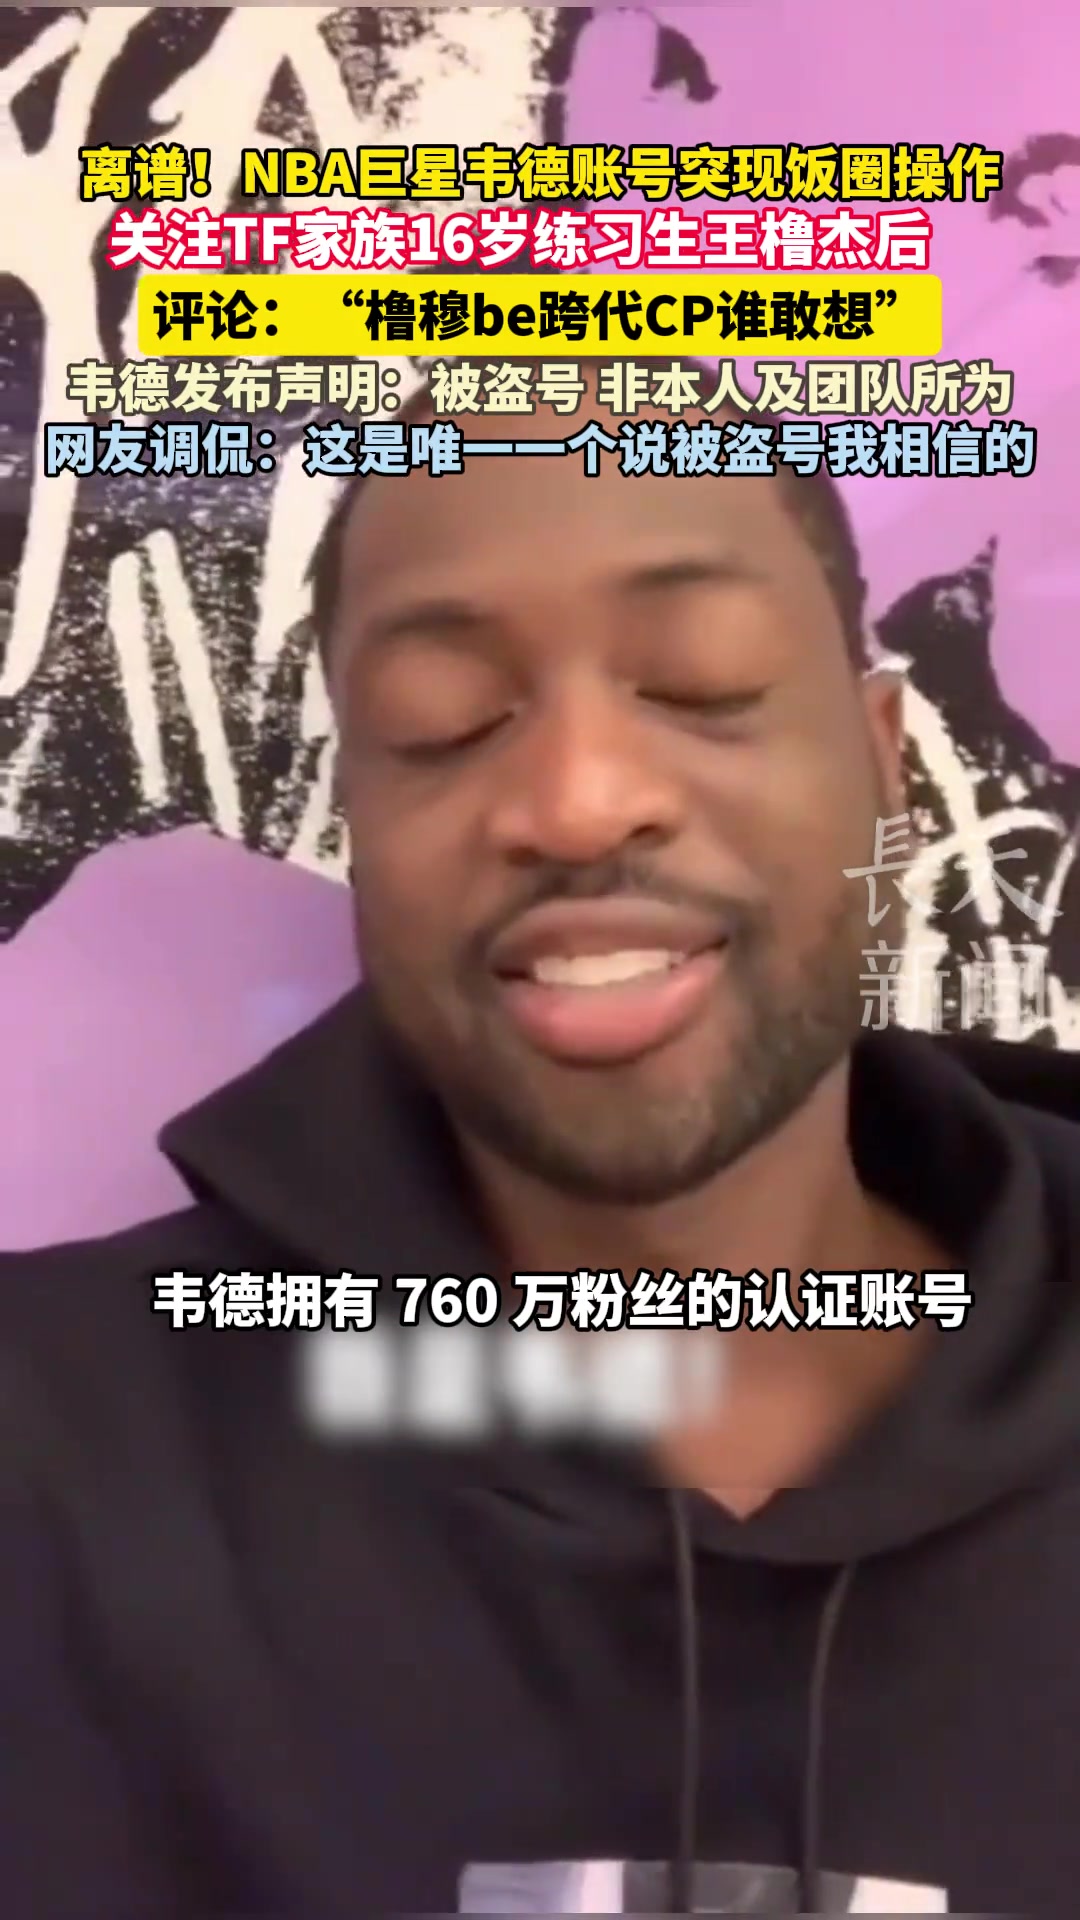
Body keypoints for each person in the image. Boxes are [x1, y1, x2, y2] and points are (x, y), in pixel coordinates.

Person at [3, 363, 1080, 1919]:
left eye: (701, 683)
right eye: (443, 721)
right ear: (359, 818)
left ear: (883, 763)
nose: (577, 803)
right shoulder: (47, 1459)